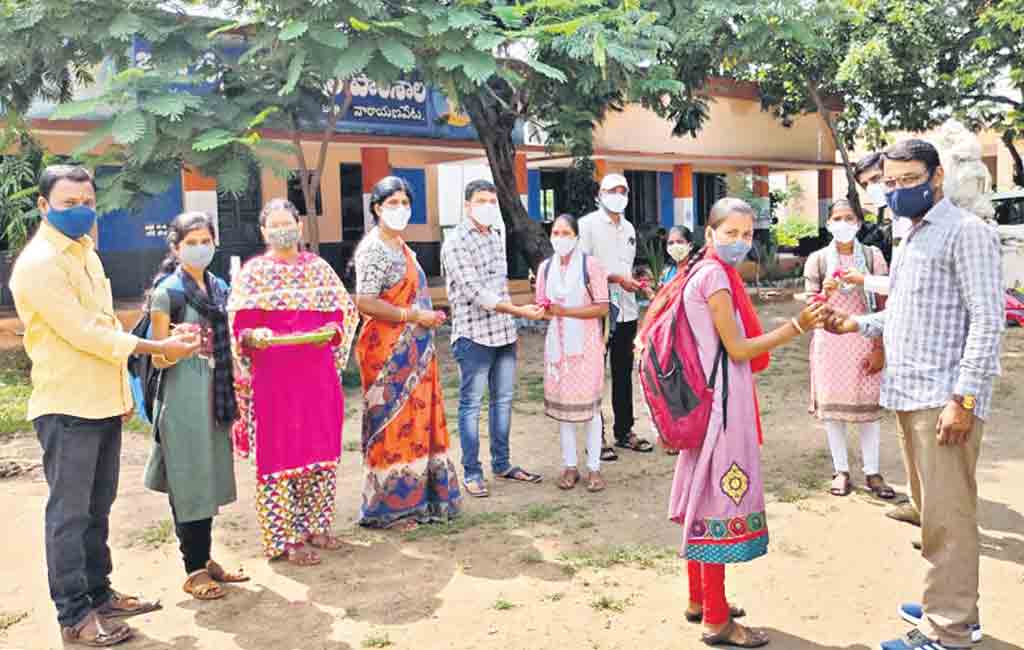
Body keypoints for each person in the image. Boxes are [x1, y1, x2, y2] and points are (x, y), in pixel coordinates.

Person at [9, 165, 200, 647]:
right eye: (69, 203)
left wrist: (139, 366)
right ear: (43, 206)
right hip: (66, 404)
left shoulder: (86, 254)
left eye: (88, 202)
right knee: (69, 514)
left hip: (98, 401)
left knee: (97, 508)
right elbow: (84, 334)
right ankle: (74, 615)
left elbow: (104, 324)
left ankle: (99, 594)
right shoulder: (39, 264)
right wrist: (156, 351)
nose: (82, 211)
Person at [824, 139, 1003, 650]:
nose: (898, 191)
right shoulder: (912, 234)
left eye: (909, 180)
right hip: (908, 393)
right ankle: (950, 606)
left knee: (948, 516)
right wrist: (855, 322)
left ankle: (947, 632)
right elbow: (905, 311)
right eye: (891, 182)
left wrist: (963, 398)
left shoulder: (967, 233)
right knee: (933, 513)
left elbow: (989, 320)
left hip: (943, 400)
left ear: (937, 177)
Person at [658, 197, 827, 648]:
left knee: (702, 497)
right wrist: (797, 326)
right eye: (730, 233)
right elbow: (738, 349)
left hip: (707, 401)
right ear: (710, 234)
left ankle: (700, 599)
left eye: (747, 234)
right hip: (721, 409)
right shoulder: (715, 276)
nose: (739, 242)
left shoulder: (701, 271)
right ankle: (716, 620)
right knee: (718, 507)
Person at [228, 198, 359, 566]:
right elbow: (239, 328)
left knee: (321, 449)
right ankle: (285, 539)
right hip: (275, 379)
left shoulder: (319, 269)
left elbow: (342, 315)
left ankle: (317, 526)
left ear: (300, 228)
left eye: (289, 223)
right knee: (281, 453)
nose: (283, 230)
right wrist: (255, 337)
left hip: (317, 376)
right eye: (275, 225)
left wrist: (331, 331)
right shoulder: (253, 274)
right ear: (264, 232)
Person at [142, 211, 248, 600]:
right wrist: (177, 347)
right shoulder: (166, 293)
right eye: (191, 242)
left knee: (209, 476)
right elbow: (157, 357)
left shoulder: (218, 286)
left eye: (206, 240)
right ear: (175, 247)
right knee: (188, 479)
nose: (200, 248)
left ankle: (205, 559)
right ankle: (193, 569)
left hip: (215, 392)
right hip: (183, 394)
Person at [352, 177, 462, 529]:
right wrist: (412, 315)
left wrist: (426, 317)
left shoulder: (401, 245)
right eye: (392, 203)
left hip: (417, 351)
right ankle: (390, 509)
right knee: (393, 427)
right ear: (376, 208)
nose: (399, 209)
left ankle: (423, 498)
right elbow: (365, 302)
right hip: (385, 354)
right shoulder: (373, 249)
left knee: (419, 423)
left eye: (404, 202)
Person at [440, 179, 546, 498]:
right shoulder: (456, 242)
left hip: (502, 334)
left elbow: (498, 286)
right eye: (481, 200)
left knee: (503, 402)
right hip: (473, 336)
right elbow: (476, 293)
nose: (487, 206)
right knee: (471, 405)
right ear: (468, 205)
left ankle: (502, 463)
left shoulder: (495, 236)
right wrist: (519, 311)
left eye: (491, 200)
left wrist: (513, 321)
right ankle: (472, 472)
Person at [804, 200, 893, 499]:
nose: (843, 223)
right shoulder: (817, 260)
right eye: (837, 218)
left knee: (868, 410)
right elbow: (810, 306)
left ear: (859, 222)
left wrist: (879, 347)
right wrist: (823, 293)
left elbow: (885, 303)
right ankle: (841, 470)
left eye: (849, 218)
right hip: (830, 343)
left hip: (865, 339)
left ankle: (872, 472)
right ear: (828, 223)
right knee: (833, 413)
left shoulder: (871, 256)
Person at [580, 173, 655, 460]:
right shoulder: (586, 226)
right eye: (612, 190)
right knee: (596, 374)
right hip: (598, 309)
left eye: (623, 190)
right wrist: (613, 278)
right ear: (600, 194)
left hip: (626, 309)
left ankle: (624, 431)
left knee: (623, 371)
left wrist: (637, 279)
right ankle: (595, 437)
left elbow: (627, 265)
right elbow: (582, 268)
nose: (618, 195)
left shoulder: (628, 228)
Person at [535, 214, 610, 492]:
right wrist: (544, 311)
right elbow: (543, 308)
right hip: (558, 349)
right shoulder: (545, 268)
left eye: (566, 233)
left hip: (587, 346)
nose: (560, 238)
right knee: (565, 410)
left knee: (590, 409)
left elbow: (602, 306)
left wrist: (566, 311)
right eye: (556, 232)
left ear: (576, 237)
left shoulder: (590, 265)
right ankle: (570, 466)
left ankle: (594, 468)